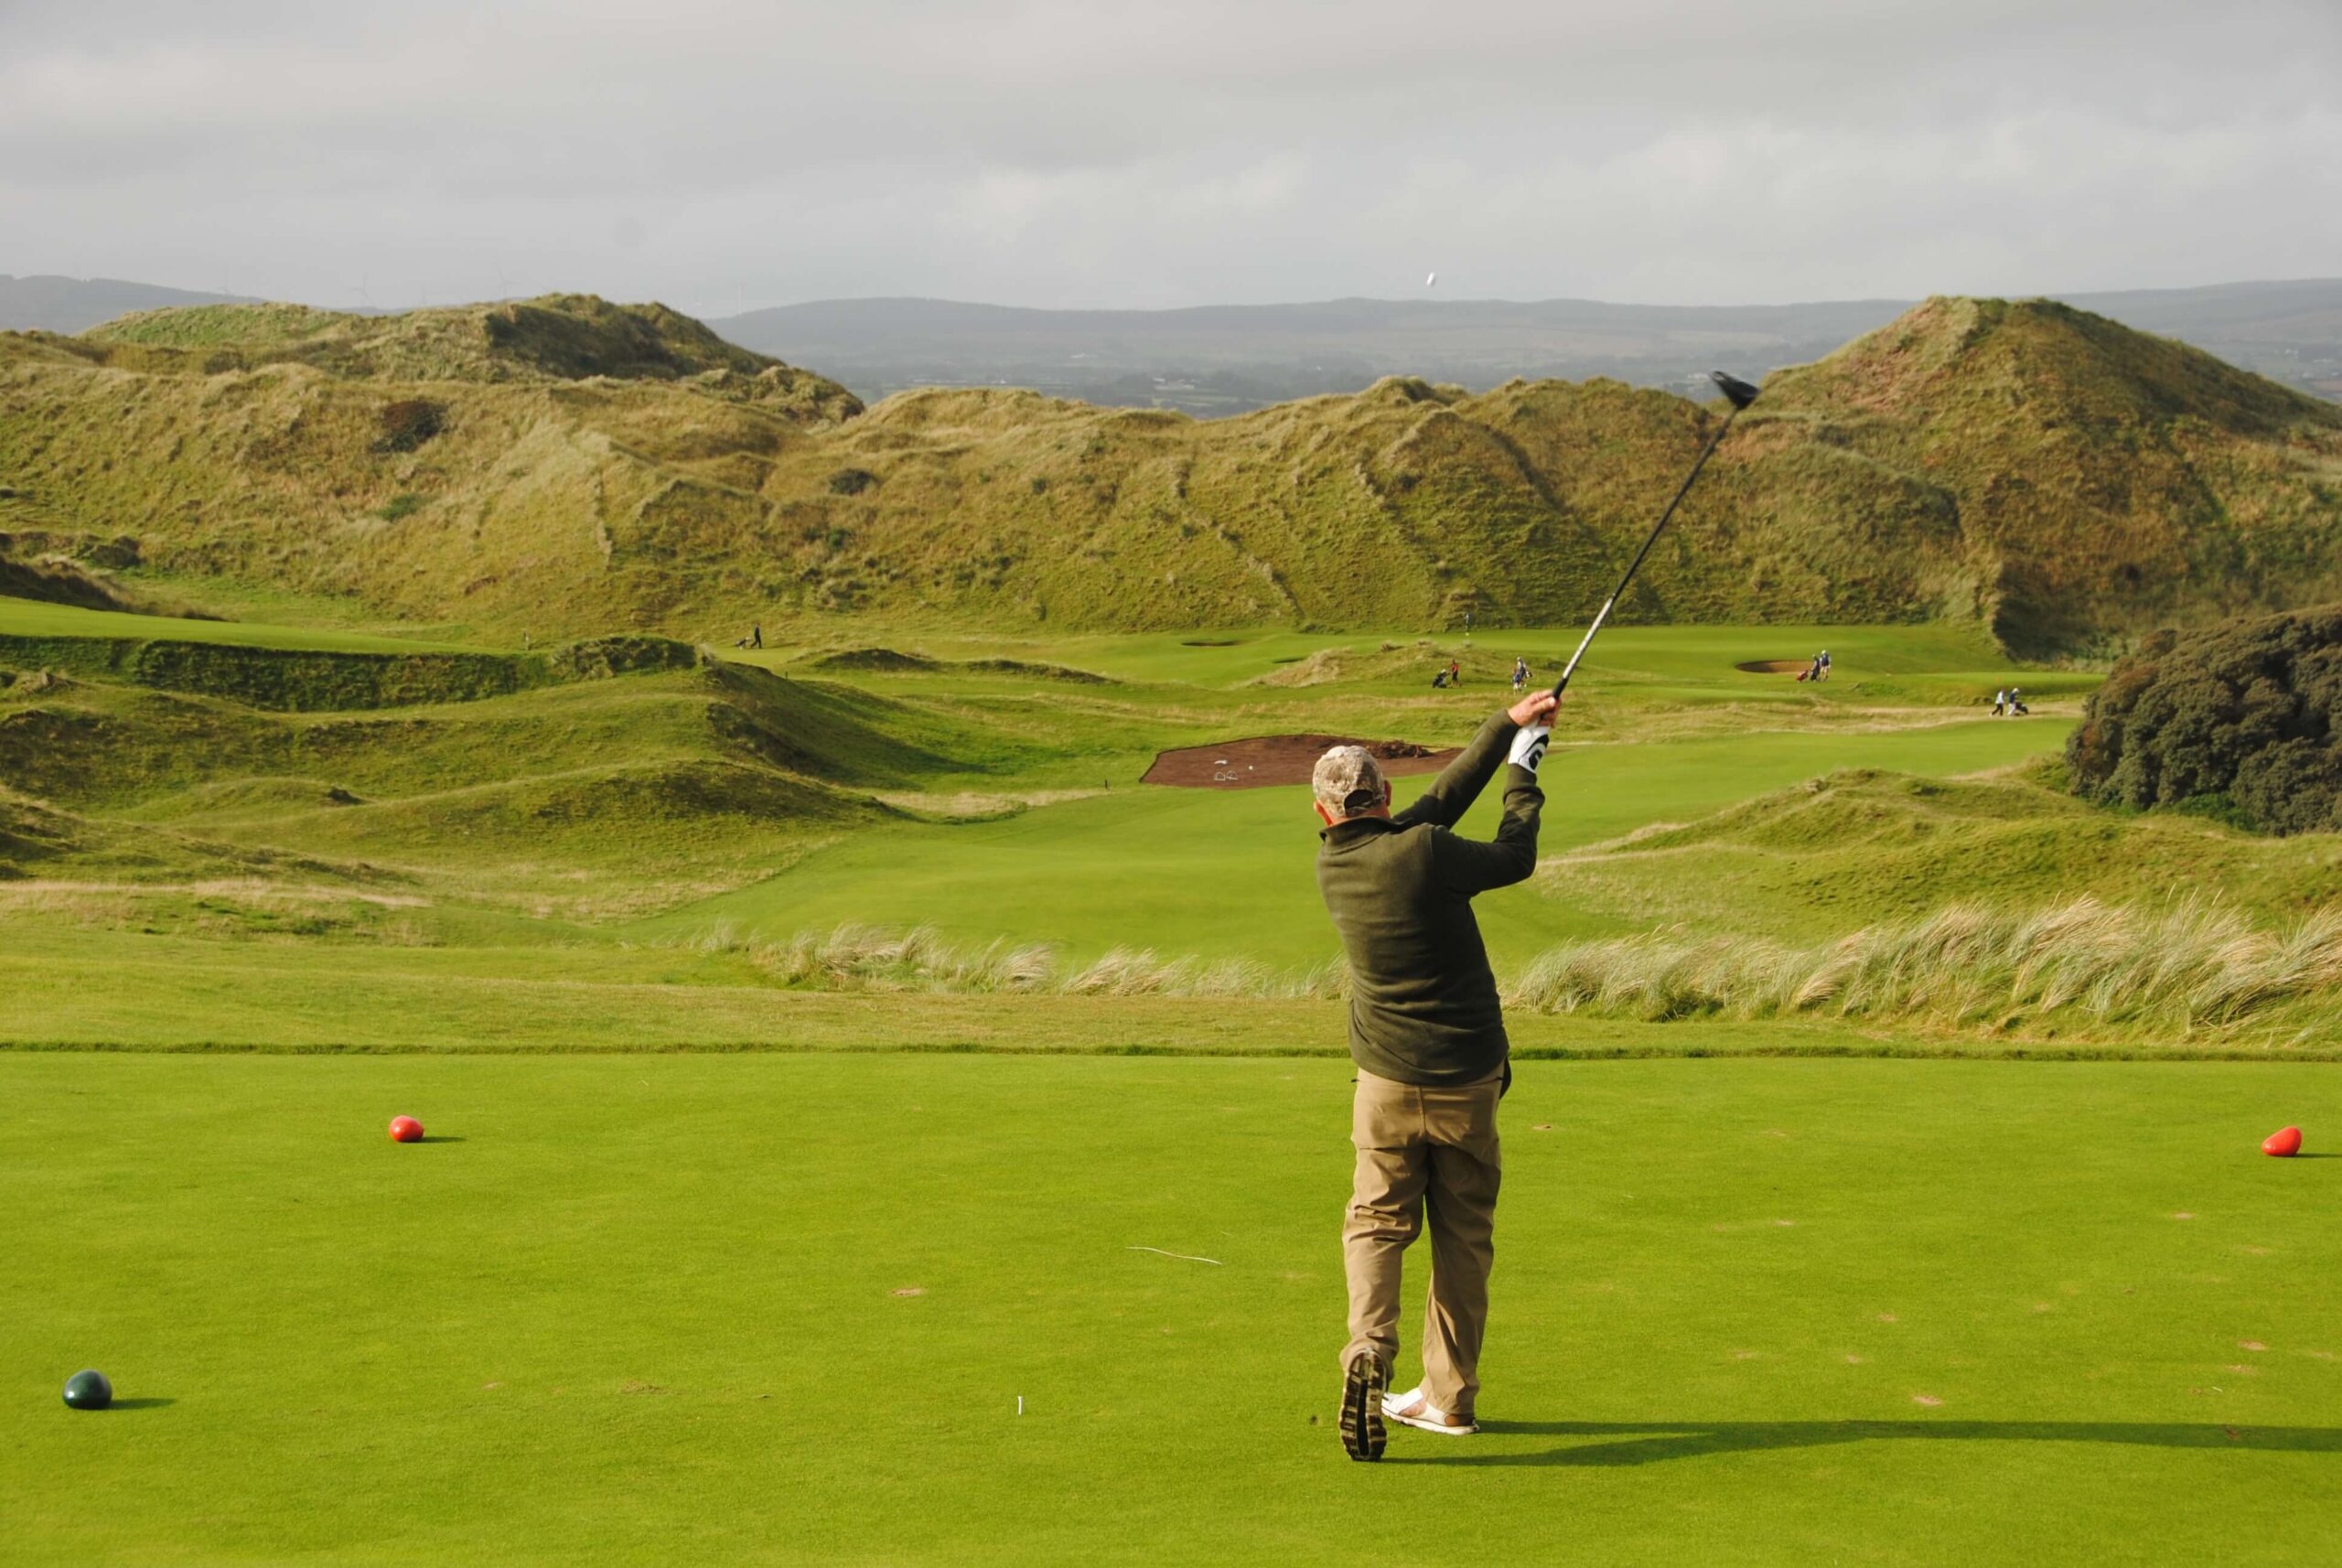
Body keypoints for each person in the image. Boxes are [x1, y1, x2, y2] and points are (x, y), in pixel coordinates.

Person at [1312, 685, 1560, 1460]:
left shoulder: (1337, 862)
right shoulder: (1418, 849)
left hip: (1384, 1085)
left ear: (1326, 814)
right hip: (1467, 1082)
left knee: (1378, 1224)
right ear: (1384, 797)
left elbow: (1437, 806)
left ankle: (1368, 1357)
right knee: (1462, 1239)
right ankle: (1449, 1400)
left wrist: (1505, 725)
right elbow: (1514, 856)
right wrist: (1525, 770)